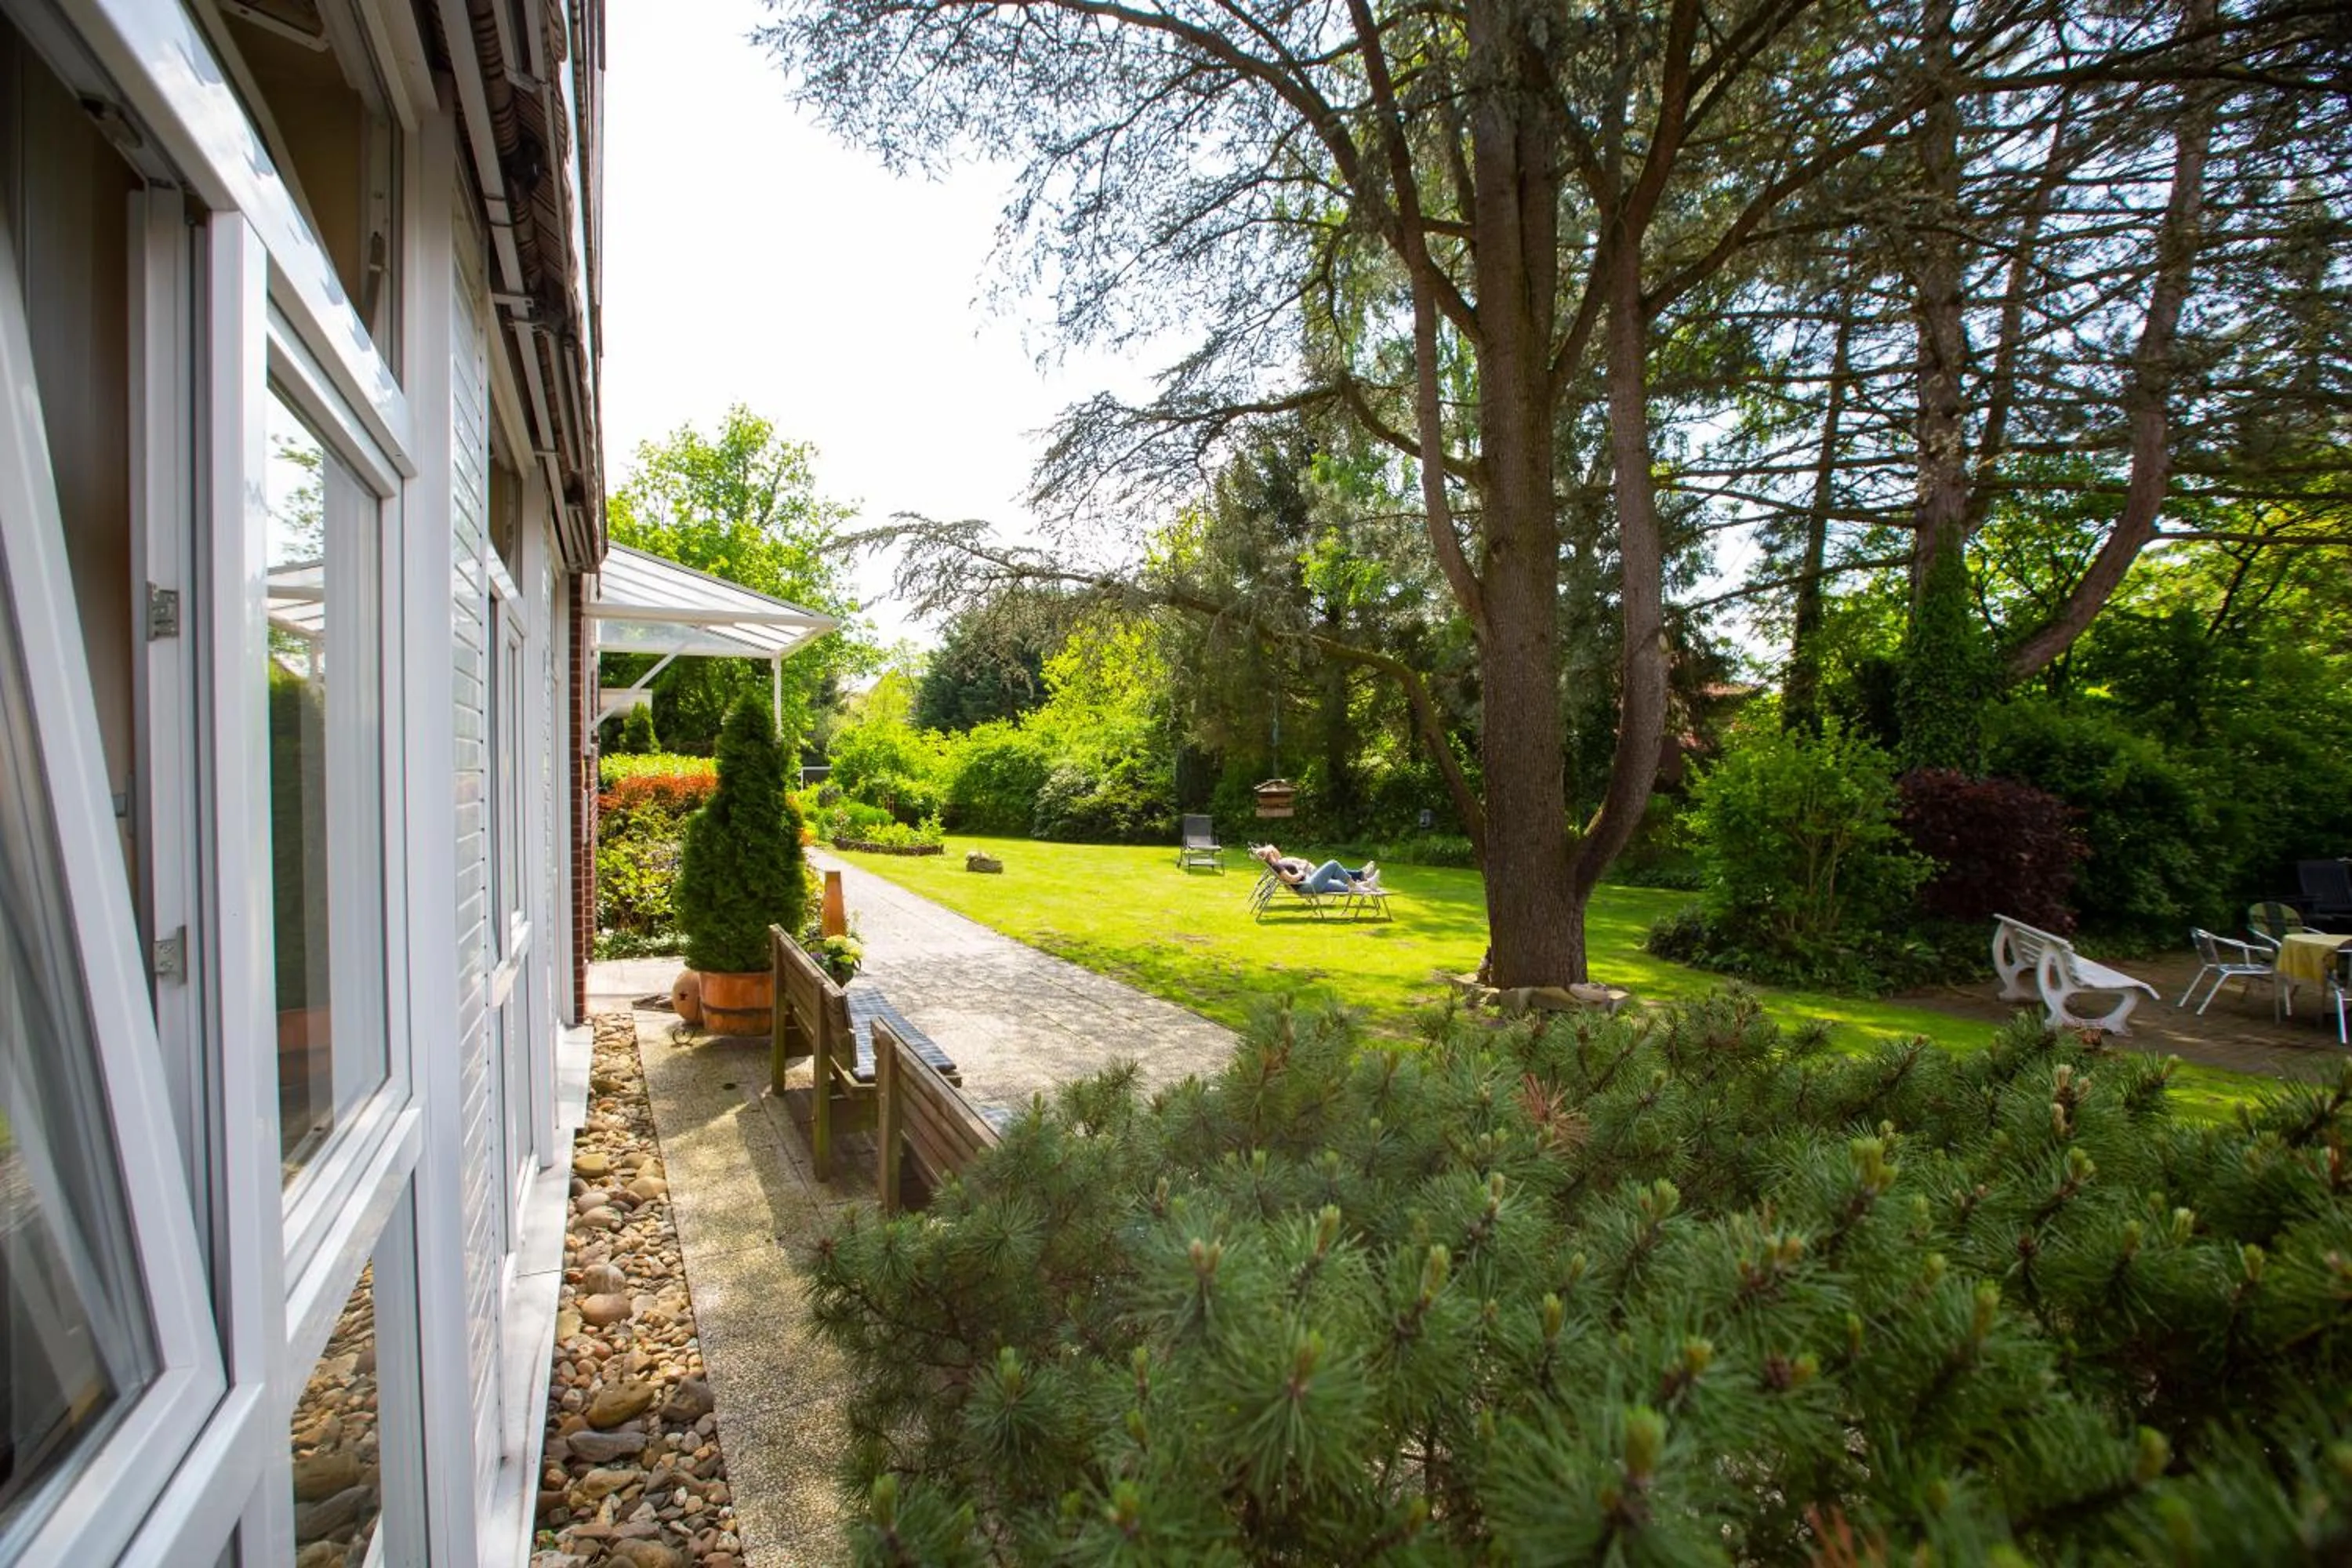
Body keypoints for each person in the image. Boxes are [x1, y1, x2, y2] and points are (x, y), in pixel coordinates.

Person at [1250, 844, 1379, 895]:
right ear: (1270, 855)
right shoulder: (1277, 866)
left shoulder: (1277, 864)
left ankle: (1367, 884)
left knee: (1342, 886)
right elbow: (1290, 879)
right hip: (1307, 885)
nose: (1276, 851)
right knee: (1333, 864)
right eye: (1273, 851)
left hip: (1308, 882)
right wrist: (1301, 871)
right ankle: (1359, 882)